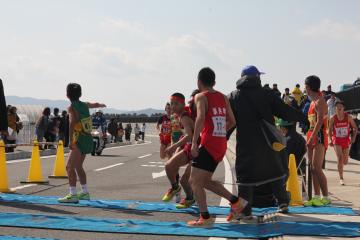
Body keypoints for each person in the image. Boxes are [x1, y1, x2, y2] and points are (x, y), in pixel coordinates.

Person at [227, 65, 308, 218]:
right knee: (275, 170)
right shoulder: (267, 94)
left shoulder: (233, 96)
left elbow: (229, 123)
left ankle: (245, 211)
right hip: (268, 141)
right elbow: (284, 111)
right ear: (257, 77)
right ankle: (282, 202)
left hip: (246, 144)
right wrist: (303, 119)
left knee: (245, 177)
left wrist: (221, 139)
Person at [188, 67, 247, 226]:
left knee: (194, 180)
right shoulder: (223, 97)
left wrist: (194, 143)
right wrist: (219, 132)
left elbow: (200, 119)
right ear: (214, 82)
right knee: (205, 181)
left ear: (198, 82)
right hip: (220, 144)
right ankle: (236, 202)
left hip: (208, 143)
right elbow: (232, 122)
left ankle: (205, 217)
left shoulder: (200, 96)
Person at [58, 83, 106, 203]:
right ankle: (84, 193)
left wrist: (69, 141)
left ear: (67, 95)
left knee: (69, 167)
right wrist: (100, 104)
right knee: (78, 167)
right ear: (80, 94)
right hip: (87, 139)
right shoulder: (84, 105)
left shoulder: (71, 107)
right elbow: (94, 104)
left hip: (78, 139)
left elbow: (72, 122)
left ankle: (73, 194)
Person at [162, 93, 195, 209]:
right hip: (188, 147)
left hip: (197, 149)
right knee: (170, 167)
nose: (173, 106)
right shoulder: (178, 116)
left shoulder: (184, 117)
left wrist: (173, 146)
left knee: (186, 179)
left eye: (176, 104)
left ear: (183, 104)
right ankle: (178, 189)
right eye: (171, 104)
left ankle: (190, 198)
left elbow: (189, 135)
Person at [304, 75, 331, 207]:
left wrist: (312, 137)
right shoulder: (312, 103)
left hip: (319, 136)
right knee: (312, 168)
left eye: (305, 86)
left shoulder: (320, 101)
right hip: (311, 135)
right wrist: (308, 137)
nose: (305, 89)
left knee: (317, 167)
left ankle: (326, 197)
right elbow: (311, 123)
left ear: (308, 87)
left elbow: (320, 121)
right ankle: (316, 196)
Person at [328, 100, 358, 185]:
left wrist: (353, 137)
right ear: (335, 108)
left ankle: (342, 166)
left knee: (345, 161)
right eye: (337, 106)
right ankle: (341, 178)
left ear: (343, 108)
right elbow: (329, 130)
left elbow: (355, 128)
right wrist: (330, 139)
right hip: (336, 139)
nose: (339, 107)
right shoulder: (332, 118)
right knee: (340, 158)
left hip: (345, 140)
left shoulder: (348, 117)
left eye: (340, 106)